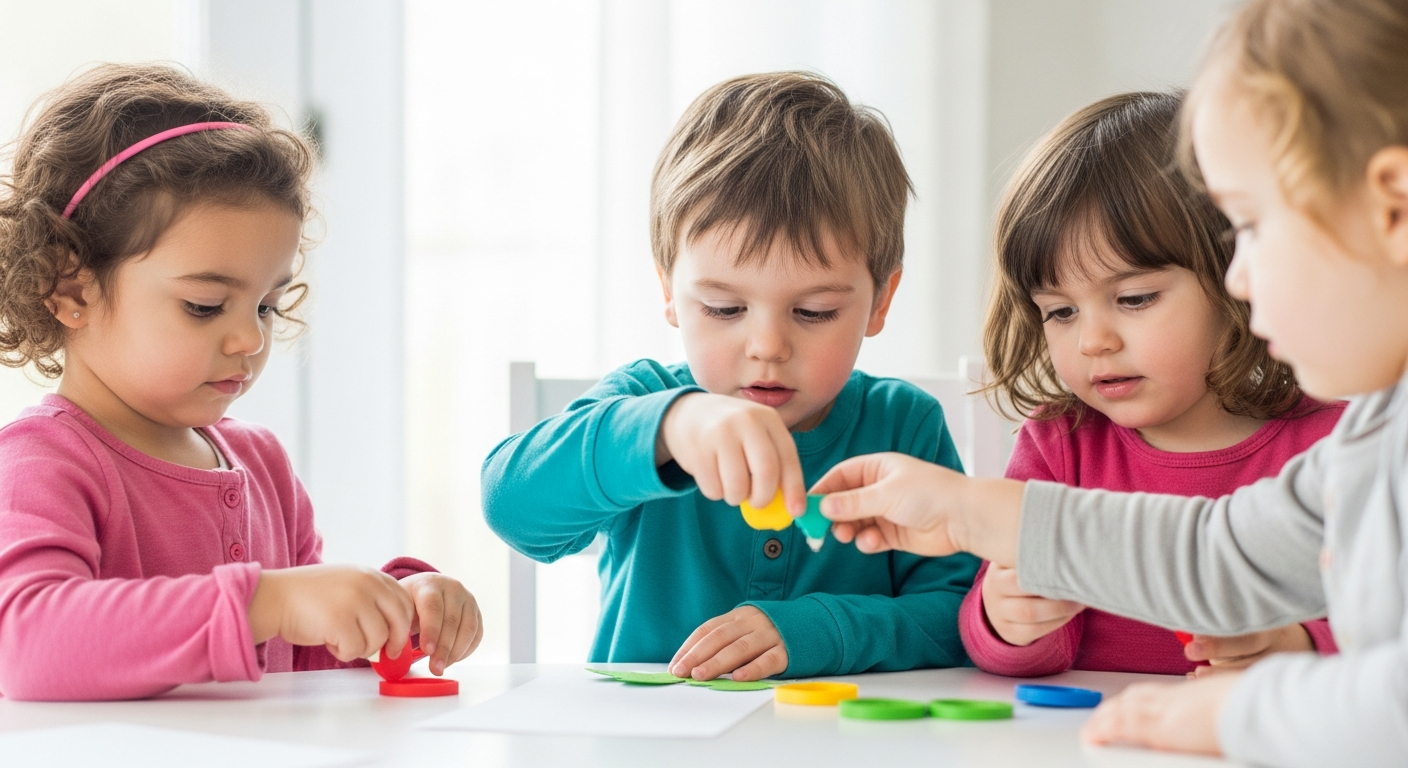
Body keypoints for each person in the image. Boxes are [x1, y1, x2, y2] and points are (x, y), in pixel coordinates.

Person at [813, 1, 1408, 762]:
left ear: (1391, 207)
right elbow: (1219, 558)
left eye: (1253, 227)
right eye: (1059, 310)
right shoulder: (1374, 432)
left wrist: (1237, 714)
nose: (1237, 274)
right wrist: (970, 512)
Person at [0, 64, 481, 701]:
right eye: (204, 305)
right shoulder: (41, 462)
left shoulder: (262, 464)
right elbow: (29, 647)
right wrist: (269, 601)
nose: (251, 341)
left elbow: (299, 660)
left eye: (266, 306)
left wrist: (395, 610)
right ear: (69, 290)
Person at [482, 72, 978, 682]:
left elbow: (963, 616)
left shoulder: (904, 424)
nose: (767, 347)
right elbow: (510, 505)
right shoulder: (644, 401)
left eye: (814, 312)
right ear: (669, 290)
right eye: (724, 309)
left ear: (880, 300)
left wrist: (819, 630)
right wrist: (668, 430)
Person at [961, 89, 1342, 678]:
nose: (1093, 341)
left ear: (1233, 274)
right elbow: (1004, 642)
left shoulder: (1332, 444)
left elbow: (1387, 625)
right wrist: (1004, 619)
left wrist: (1300, 647)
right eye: (1060, 312)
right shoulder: (1061, 444)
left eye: (1134, 299)